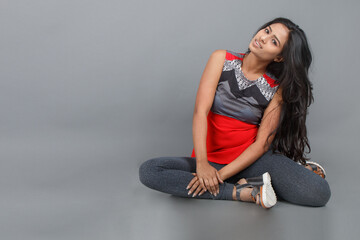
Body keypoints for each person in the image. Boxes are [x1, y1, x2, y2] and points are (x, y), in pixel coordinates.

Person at [138, 17, 331, 208]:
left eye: (274, 41)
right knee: (150, 171)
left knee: (319, 193)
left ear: (279, 57)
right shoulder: (221, 58)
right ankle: (242, 192)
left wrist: (219, 177)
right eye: (267, 30)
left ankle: (273, 176)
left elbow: (262, 144)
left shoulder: (276, 89)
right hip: (209, 160)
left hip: (251, 161)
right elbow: (200, 112)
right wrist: (203, 166)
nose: (263, 38)